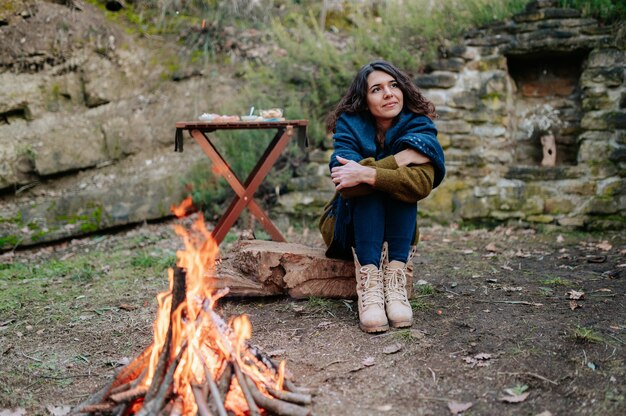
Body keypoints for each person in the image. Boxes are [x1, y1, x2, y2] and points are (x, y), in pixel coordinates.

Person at [318, 60, 445, 333]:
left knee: (401, 188)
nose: (388, 93)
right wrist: (401, 159)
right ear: (364, 101)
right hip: (349, 228)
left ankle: (395, 281)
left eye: (394, 85)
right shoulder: (349, 127)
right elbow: (347, 185)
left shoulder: (419, 125)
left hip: (399, 229)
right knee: (374, 192)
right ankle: (371, 287)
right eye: (376, 89)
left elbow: (421, 184)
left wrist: (366, 173)